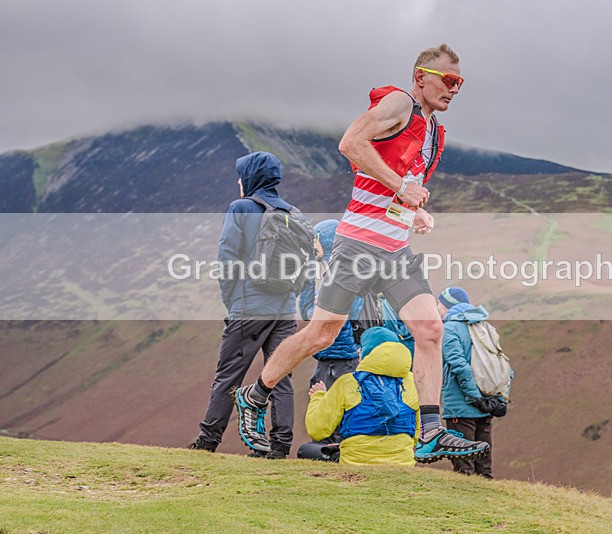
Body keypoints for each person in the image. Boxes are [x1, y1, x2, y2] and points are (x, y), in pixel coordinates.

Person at [234, 43, 489, 462]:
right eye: (448, 79)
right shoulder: (399, 103)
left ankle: (430, 431)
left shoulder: (431, 129)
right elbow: (351, 142)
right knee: (322, 334)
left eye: (460, 83)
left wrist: (414, 211)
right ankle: (256, 394)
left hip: (396, 249)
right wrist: (402, 188)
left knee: (429, 329)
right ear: (421, 77)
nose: (454, 88)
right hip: (357, 245)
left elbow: (395, 188)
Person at [188, 151, 299, 459]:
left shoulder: (240, 208)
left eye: (241, 175)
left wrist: (232, 301)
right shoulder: (292, 212)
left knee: (229, 375)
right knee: (280, 374)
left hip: (249, 306)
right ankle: (280, 446)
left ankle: (208, 441)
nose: (239, 182)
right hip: (285, 308)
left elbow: (226, 260)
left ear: (251, 177)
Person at [304, 327, 419, 465]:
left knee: (305, 450)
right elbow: (417, 434)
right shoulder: (413, 383)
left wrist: (318, 396)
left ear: (366, 352)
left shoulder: (347, 382)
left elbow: (317, 429)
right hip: (402, 464)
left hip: (355, 464)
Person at [438, 287, 509, 478]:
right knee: (483, 467)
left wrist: (474, 398)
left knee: (464, 464)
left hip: (461, 406)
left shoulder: (449, 328)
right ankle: (489, 496)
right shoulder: (485, 327)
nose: (437, 309)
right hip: (487, 403)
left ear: (448, 306)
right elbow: (503, 366)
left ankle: (465, 496)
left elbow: (459, 366)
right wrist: (498, 399)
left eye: (439, 305)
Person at [298, 219, 362, 392]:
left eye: (315, 239)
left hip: (341, 358)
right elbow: (308, 313)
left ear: (327, 240)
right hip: (326, 356)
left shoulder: (345, 276)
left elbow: (349, 313)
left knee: (337, 403)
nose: (312, 245)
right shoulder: (327, 277)